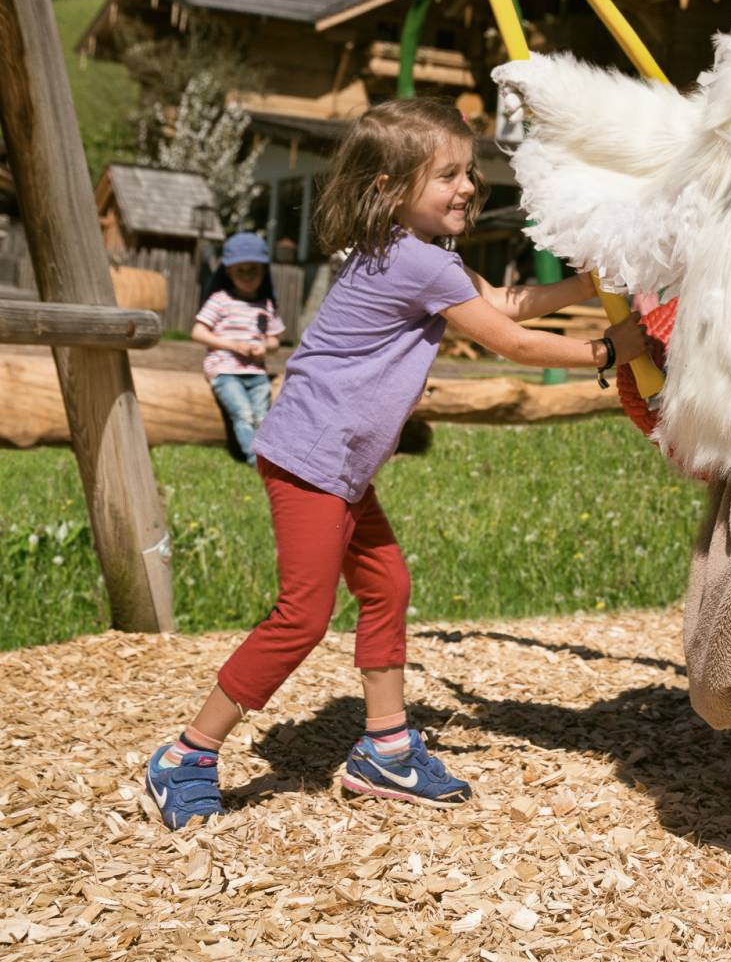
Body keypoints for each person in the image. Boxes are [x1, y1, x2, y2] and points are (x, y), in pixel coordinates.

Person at [144, 95, 646, 831]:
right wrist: (608, 351)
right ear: (389, 187)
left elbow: (505, 305)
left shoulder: (412, 254)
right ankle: (187, 752)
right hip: (314, 460)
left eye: (469, 171)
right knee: (301, 616)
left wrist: (593, 283)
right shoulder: (414, 263)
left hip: (333, 461)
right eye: (448, 174)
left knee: (386, 587)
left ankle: (384, 745)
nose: (468, 186)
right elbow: (510, 342)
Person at [191, 231, 283, 464]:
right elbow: (198, 332)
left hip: (256, 373)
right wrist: (232, 345)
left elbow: (275, 339)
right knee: (242, 413)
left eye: (254, 270)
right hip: (225, 371)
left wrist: (265, 347)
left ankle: (267, 457)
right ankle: (255, 461)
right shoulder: (220, 300)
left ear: (263, 271)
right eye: (241, 270)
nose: (248, 276)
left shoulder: (266, 305)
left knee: (262, 416)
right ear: (229, 271)